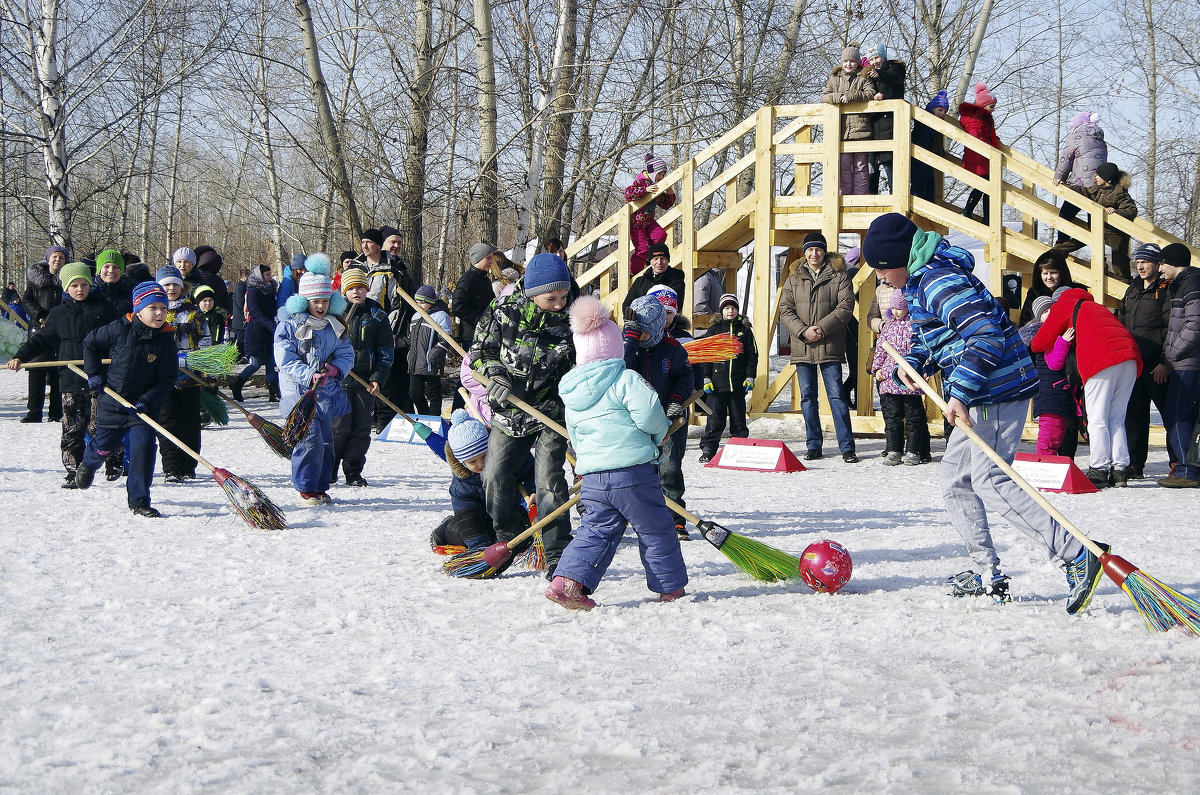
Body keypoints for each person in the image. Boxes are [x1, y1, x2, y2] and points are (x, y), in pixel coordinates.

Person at [863, 212, 1105, 614]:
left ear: (901, 258)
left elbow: (986, 335)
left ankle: (1077, 554)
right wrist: (917, 361)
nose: (883, 279)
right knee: (955, 480)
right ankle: (987, 573)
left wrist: (958, 392)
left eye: (884, 269)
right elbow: (944, 334)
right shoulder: (924, 281)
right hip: (982, 389)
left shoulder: (940, 280)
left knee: (990, 480)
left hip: (997, 389)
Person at [550, 294, 688, 609]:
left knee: (595, 531)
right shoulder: (626, 379)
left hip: (594, 479)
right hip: (633, 473)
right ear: (615, 348)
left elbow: (575, 435)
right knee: (656, 528)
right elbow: (650, 415)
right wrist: (658, 434)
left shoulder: (571, 393)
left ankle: (565, 582)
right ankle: (669, 586)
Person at [470, 252, 575, 578]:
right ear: (531, 293)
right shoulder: (503, 311)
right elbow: (479, 350)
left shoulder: (572, 320)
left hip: (550, 412)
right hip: (510, 411)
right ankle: (511, 539)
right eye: (551, 298)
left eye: (564, 296)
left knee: (549, 483)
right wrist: (495, 374)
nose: (560, 304)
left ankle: (557, 554)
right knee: (494, 478)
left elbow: (582, 366)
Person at [6, 261, 117, 487]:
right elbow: (41, 339)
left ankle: (112, 462)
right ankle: (73, 470)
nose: (79, 289)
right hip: (71, 378)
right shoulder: (58, 313)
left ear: (90, 285)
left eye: (84, 284)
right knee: (72, 429)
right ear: (66, 288)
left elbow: (119, 338)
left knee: (102, 427)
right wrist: (20, 356)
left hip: (100, 378)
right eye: (74, 285)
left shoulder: (104, 309)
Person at [74, 281, 179, 517]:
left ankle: (140, 500)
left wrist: (147, 402)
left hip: (142, 409)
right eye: (153, 308)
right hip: (112, 402)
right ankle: (89, 462)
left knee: (143, 449)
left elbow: (166, 380)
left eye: (163, 308)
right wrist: (93, 375)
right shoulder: (120, 327)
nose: (160, 313)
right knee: (105, 447)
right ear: (138, 309)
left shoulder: (165, 341)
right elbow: (90, 343)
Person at [1032, 286, 1141, 487]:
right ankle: (1119, 470)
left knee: (1097, 418)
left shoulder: (1066, 304)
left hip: (1102, 359)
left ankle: (1099, 469)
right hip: (1130, 358)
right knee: (1116, 418)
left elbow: (1038, 343)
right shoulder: (1094, 306)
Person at [275, 255, 354, 504]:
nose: (320, 306)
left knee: (326, 441)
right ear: (303, 301)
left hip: (325, 392)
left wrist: (336, 370)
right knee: (308, 439)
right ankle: (306, 487)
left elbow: (346, 353)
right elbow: (285, 359)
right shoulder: (288, 327)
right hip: (298, 392)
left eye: (324, 301)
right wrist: (309, 374)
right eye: (315, 301)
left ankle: (321, 486)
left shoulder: (334, 326)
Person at [779, 232, 857, 462]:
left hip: (829, 344)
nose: (814, 254)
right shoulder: (794, 276)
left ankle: (847, 446)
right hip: (803, 346)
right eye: (810, 250)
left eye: (818, 249)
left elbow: (845, 307)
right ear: (805, 252)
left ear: (824, 251)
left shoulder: (839, 274)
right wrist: (803, 331)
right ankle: (813, 445)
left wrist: (820, 329)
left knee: (837, 396)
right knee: (807, 398)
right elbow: (786, 309)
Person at [624, 293, 694, 539]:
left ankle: (674, 517)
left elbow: (685, 378)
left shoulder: (672, 348)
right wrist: (630, 343)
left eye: (643, 331)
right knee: (637, 470)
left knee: (669, 467)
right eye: (634, 330)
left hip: (668, 419)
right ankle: (639, 517)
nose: (639, 335)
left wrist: (676, 400)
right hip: (635, 420)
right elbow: (620, 373)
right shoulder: (627, 348)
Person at [430, 409, 535, 554]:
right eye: (472, 461)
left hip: (508, 512)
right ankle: (446, 529)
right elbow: (470, 521)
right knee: (466, 532)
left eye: (485, 456)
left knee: (521, 529)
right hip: (479, 519)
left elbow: (530, 473)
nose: (481, 464)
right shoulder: (462, 486)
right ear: (462, 463)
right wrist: (483, 552)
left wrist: (533, 492)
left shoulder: (511, 459)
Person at [331, 268, 392, 487]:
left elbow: (386, 350)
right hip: (339, 380)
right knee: (339, 428)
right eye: (351, 288)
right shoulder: (334, 314)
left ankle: (353, 471)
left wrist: (378, 377)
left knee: (362, 428)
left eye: (360, 288)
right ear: (344, 291)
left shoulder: (377, 315)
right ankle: (330, 468)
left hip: (366, 383)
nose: (356, 292)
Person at [1117, 243, 1173, 478]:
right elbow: (1120, 319)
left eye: (1145, 261)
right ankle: (1134, 464)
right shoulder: (1132, 289)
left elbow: (1172, 328)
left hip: (1156, 363)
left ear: (1158, 264)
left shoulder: (1166, 289)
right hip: (1134, 362)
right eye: (1138, 261)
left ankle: (1178, 464)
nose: (1140, 266)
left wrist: (1164, 362)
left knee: (1170, 415)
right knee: (1134, 416)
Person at [155, 265, 210, 483]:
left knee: (190, 423)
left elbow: (205, 342)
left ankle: (189, 465)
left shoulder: (194, 313)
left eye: (175, 284)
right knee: (167, 423)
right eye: (166, 284)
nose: (170, 288)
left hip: (190, 378)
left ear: (182, 286)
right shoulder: (155, 312)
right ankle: (171, 467)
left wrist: (203, 368)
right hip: (162, 380)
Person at [869, 289, 930, 465]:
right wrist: (877, 368)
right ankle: (894, 449)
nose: (896, 312)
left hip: (908, 378)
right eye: (893, 308)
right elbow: (880, 348)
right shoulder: (888, 326)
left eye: (900, 308)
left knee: (913, 417)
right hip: (889, 378)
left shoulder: (914, 325)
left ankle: (913, 450)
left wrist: (922, 370)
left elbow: (921, 349)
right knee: (892, 417)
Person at [1156, 243, 1200, 488]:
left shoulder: (1190, 283)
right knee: (1189, 417)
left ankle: (1187, 470)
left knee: (1177, 416)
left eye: (1162, 263)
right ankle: (1191, 469)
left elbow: (1195, 325)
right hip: (1187, 361)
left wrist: (1173, 353)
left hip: (1187, 362)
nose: (1160, 268)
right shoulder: (1185, 282)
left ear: (1174, 262)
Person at [698, 293, 759, 463]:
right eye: (727, 308)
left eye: (733, 308)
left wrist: (750, 377)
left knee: (738, 420)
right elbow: (706, 355)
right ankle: (709, 449)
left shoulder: (745, 330)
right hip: (716, 386)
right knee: (715, 420)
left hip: (737, 385)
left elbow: (752, 356)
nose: (730, 311)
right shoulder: (714, 330)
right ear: (721, 311)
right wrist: (706, 378)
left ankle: (740, 448)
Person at [1052, 162, 1137, 280]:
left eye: (1098, 175)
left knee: (1119, 259)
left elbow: (1131, 210)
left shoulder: (1119, 192)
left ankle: (1124, 281)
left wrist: (1116, 212)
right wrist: (1065, 186)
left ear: (1107, 179)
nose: (1095, 177)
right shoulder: (1096, 188)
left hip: (1115, 233)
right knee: (1078, 240)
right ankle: (1054, 253)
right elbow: (1083, 191)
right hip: (1097, 228)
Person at [1019, 295, 1078, 457]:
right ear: (1039, 317)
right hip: (1050, 396)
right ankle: (1044, 469)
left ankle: (1050, 468)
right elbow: (1054, 362)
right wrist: (1064, 342)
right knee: (1049, 438)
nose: (1051, 312)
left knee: (1056, 436)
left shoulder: (1054, 332)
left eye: (1053, 309)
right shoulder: (1044, 334)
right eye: (1045, 311)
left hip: (1057, 394)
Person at [820, 43, 877, 195]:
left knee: (861, 166)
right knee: (844, 166)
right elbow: (824, 96)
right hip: (842, 130)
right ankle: (844, 197)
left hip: (861, 128)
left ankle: (860, 198)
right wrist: (838, 97)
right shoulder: (835, 78)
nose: (848, 64)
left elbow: (870, 93)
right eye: (845, 61)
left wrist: (851, 97)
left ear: (857, 62)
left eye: (851, 61)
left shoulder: (863, 76)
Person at [21, 245, 67, 423]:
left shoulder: (68, 279)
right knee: (36, 370)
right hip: (39, 326)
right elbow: (26, 300)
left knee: (58, 370)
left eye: (61, 257)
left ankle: (56, 412)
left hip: (61, 327)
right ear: (48, 259)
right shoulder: (35, 279)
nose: (57, 260)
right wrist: (40, 315)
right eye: (55, 257)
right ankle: (34, 412)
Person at [1053, 111, 1108, 244]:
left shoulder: (1075, 137)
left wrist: (1060, 176)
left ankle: (1062, 244)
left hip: (1080, 183)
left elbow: (1066, 158)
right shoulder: (1101, 140)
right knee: (1094, 222)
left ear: (1078, 125)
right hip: (1097, 186)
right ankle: (1099, 254)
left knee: (1065, 215)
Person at [229, 264, 280, 402]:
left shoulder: (270, 289)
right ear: (260, 275)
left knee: (271, 363)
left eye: (270, 274)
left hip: (269, 332)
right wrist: (272, 326)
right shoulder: (253, 291)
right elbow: (255, 312)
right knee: (256, 364)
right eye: (267, 275)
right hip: (256, 332)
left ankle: (273, 392)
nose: (270, 278)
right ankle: (237, 384)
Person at [862, 43, 905, 194]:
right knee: (872, 162)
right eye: (872, 59)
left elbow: (895, 80)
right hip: (875, 124)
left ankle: (895, 193)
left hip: (891, 122)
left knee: (889, 161)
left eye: (877, 57)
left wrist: (880, 75)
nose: (875, 62)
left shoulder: (894, 67)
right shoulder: (870, 75)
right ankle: (871, 195)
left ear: (883, 56)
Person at [625, 154, 676, 275]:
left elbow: (665, 205)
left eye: (663, 175)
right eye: (659, 174)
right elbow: (628, 194)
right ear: (653, 172)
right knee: (641, 249)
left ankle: (650, 258)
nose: (661, 177)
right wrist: (644, 190)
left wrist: (670, 193)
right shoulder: (641, 181)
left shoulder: (656, 185)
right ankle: (634, 273)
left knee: (660, 235)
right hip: (636, 223)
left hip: (648, 221)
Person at [407, 284, 452, 416]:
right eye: (417, 302)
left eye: (421, 302)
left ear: (429, 302)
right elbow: (411, 339)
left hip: (431, 362)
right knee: (414, 393)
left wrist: (432, 356)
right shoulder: (415, 316)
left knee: (434, 394)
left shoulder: (441, 316)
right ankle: (424, 415)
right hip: (415, 362)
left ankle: (434, 418)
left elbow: (445, 340)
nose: (418, 304)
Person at [959, 83, 1000, 224]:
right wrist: (990, 148)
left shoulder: (983, 118)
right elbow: (977, 137)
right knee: (984, 186)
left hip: (983, 158)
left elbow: (985, 135)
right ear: (983, 106)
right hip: (978, 158)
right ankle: (968, 211)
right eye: (991, 107)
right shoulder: (976, 120)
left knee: (988, 187)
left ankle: (986, 217)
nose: (993, 110)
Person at [453, 242, 499, 349]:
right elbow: (458, 306)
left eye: (492, 258)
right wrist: (479, 320)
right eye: (488, 258)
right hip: (471, 334)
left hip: (485, 331)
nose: (491, 262)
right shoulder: (468, 280)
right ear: (478, 259)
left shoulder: (484, 279)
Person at [1018, 250, 1076, 326]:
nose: (1049, 277)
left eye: (1053, 273)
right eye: (1045, 273)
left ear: (1062, 273)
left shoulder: (1075, 291)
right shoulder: (1034, 292)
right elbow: (1025, 323)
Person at [911, 90, 949, 203]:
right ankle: (917, 200)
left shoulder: (938, 123)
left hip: (928, 155)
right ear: (932, 109)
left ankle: (929, 202)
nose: (943, 113)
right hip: (918, 153)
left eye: (945, 111)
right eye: (940, 110)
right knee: (920, 177)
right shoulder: (925, 118)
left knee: (929, 179)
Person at [622, 242, 686, 309]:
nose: (659, 262)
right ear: (650, 261)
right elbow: (627, 305)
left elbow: (675, 307)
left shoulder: (676, 279)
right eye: (655, 259)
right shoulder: (640, 282)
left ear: (668, 260)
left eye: (663, 258)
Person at [91, 249, 133, 316]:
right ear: (99, 269)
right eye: (106, 266)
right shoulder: (89, 290)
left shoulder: (130, 291)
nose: (111, 270)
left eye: (116, 267)